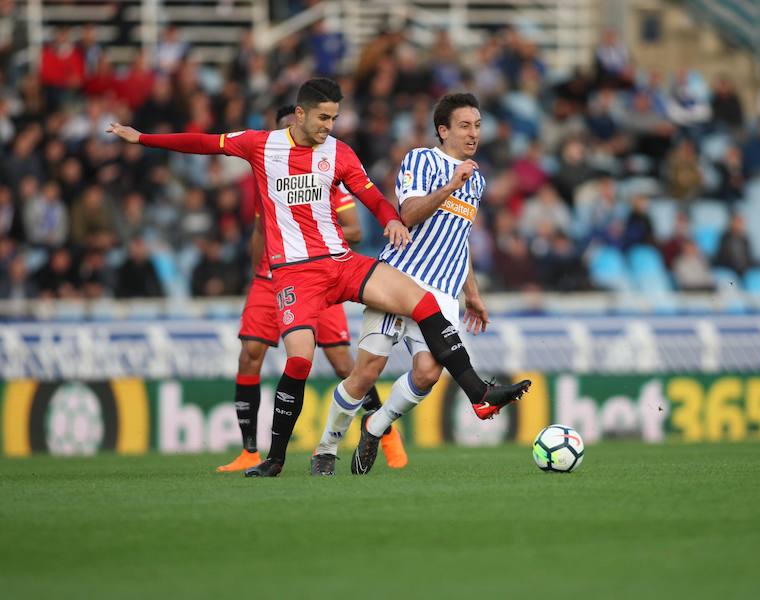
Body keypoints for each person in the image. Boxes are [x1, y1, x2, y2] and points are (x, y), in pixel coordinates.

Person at [107, 78, 530, 478]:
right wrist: (142, 138)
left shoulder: (339, 153)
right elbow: (204, 143)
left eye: (334, 118)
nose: (330, 126)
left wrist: (390, 220)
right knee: (300, 360)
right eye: (323, 117)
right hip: (295, 273)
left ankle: (478, 393)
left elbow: (371, 197)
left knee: (422, 302)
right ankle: (276, 458)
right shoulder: (261, 145)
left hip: (340, 262)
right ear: (300, 113)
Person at [309, 93, 497, 476]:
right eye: (464, 125)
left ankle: (375, 426)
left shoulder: (476, 179)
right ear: (443, 130)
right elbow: (407, 215)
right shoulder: (421, 160)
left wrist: (472, 293)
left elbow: (458, 238)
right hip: (399, 281)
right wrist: (450, 185)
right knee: (366, 373)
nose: (473, 133)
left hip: (442, 292)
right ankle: (326, 448)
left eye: (477, 125)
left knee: (428, 373)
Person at [216, 105, 407, 474]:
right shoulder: (267, 172)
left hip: (319, 272)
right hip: (272, 277)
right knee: (250, 353)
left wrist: (313, 237)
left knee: (342, 362)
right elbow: (260, 231)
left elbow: (354, 229)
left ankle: (384, 433)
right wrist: (259, 274)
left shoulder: (326, 177)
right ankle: (249, 450)